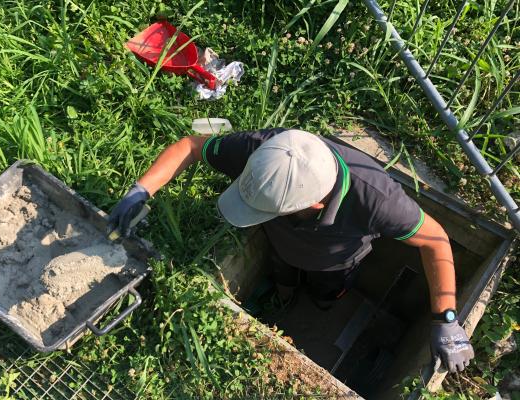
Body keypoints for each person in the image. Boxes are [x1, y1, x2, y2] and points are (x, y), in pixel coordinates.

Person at [107, 128, 474, 373]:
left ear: (314, 205)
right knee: (283, 269)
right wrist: (142, 189)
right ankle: (284, 297)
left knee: (326, 290)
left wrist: (445, 319)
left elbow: (435, 239)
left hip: (335, 265)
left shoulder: (378, 201)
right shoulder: (271, 155)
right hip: (281, 245)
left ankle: (322, 302)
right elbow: (190, 146)